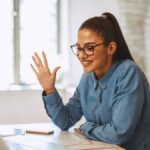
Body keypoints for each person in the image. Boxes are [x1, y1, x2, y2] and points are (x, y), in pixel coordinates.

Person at [31, 12, 150, 150]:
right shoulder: (87, 78)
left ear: (111, 48)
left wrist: (87, 128)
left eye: (89, 48)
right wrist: (50, 90)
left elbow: (119, 133)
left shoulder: (128, 72)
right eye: (79, 48)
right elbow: (65, 121)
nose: (81, 55)